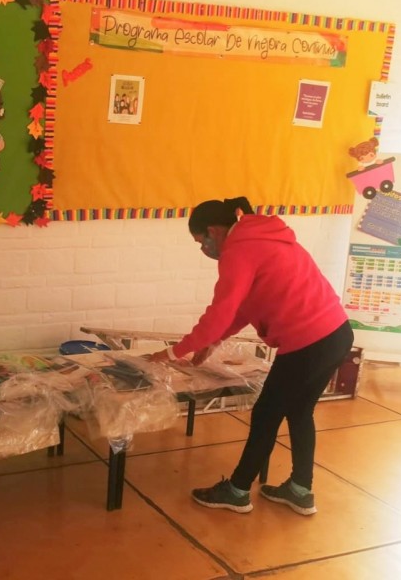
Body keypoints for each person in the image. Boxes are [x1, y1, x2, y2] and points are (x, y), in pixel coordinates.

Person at [150, 196, 353, 516]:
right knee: (300, 412)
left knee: (266, 415)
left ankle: (238, 490)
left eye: (200, 241)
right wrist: (213, 341)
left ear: (213, 231)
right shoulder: (264, 237)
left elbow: (220, 311)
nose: (203, 249)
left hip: (307, 342)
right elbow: (245, 307)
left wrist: (173, 352)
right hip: (337, 334)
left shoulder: (239, 250)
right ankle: (300, 490)